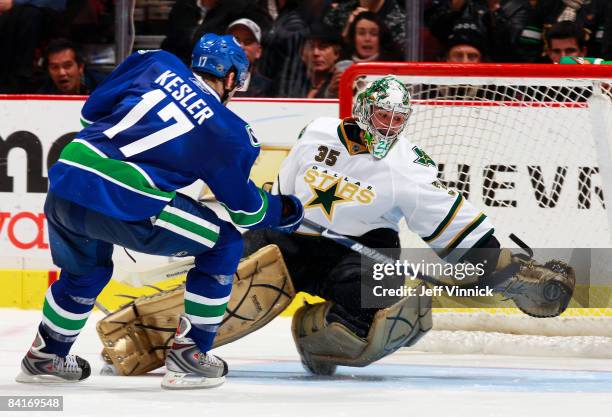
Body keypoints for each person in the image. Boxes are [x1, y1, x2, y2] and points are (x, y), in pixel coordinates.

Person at [16, 33, 303, 389]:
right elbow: (246, 213)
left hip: (67, 180)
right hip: (126, 200)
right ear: (231, 78)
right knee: (224, 243)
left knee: (84, 274)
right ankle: (190, 355)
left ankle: (47, 357)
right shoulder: (230, 132)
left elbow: (91, 113)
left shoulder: (154, 61)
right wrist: (284, 211)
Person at [239, 75, 575, 374]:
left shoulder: (407, 166)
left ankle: (314, 331)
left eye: (397, 120)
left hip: (349, 261)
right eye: (382, 116)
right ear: (363, 110)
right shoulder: (316, 132)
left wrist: (502, 271)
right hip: (287, 242)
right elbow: (280, 193)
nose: (387, 127)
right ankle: (193, 325)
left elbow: (449, 221)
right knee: (230, 267)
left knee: (382, 296)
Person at [226, 18, 273, 97]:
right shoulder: (207, 82)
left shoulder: (269, 88)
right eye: (235, 41)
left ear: (258, 51)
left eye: (248, 41)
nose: (241, 46)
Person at [38, 38, 103, 95]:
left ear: (80, 67)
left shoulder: (103, 86)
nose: (61, 73)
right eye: (55, 67)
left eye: (67, 66)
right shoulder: (44, 92)